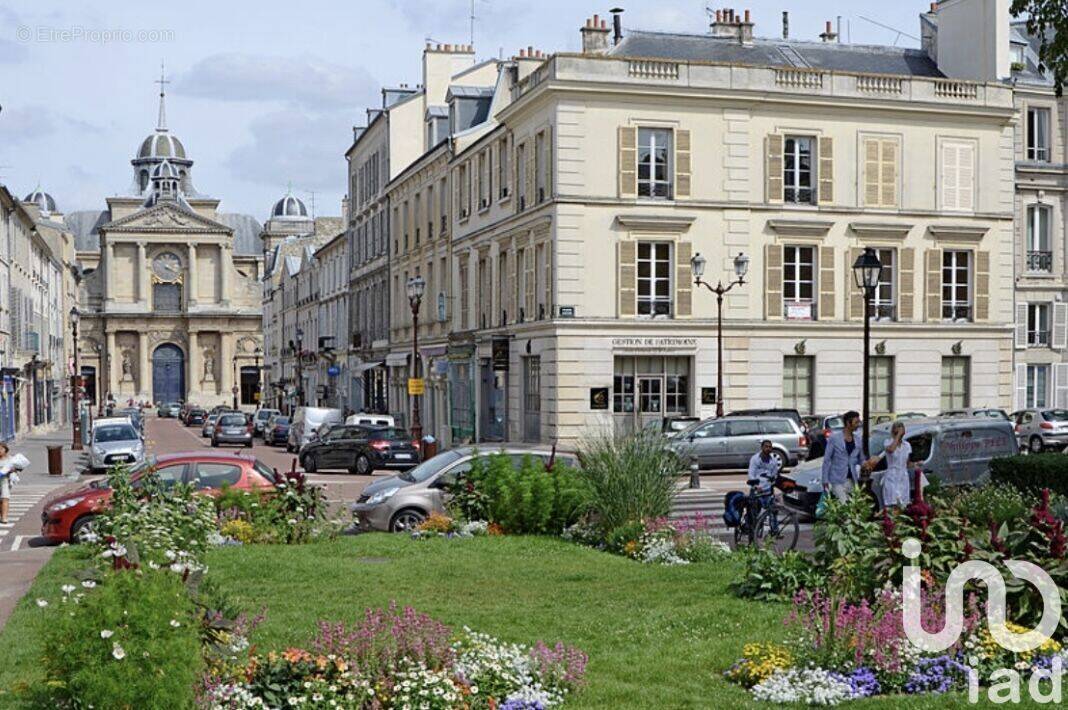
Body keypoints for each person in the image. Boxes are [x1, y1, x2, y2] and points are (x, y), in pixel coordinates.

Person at [821, 410, 867, 502]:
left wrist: (866, 464)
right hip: (837, 479)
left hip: (852, 479)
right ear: (848, 423)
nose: (858, 424)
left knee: (853, 506)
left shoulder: (858, 439)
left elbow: (861, 458)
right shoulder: (834, 438)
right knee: (844, 504)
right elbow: (827, 460)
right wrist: (825, 480)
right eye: (856, 422)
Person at [868, 421, 912, 509]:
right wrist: (897, 435)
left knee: (903, 504)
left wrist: (916, 464)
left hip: (903, 476)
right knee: (892, 502)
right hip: (892, 475)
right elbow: (891, 449)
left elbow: (907, 462)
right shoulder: (888, 442)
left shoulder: (907, 445)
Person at [747, 439, 782, 531]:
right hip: (756, 490)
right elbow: (751, 474)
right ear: (762, 447)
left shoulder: (773, 461)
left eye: (770, 447)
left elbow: (774, 475)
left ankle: (775, 531)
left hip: (768, 491)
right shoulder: (755, 459)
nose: (768, 449)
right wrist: (755, 485)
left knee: (773, 511)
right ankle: (753, 530)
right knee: (754, 513)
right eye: (766, 446)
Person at [0, 442, 30, 525]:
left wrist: (14, 470)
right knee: (1, 501)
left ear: (5, 450)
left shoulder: (11, 459)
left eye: (1, 449)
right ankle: (2, 514)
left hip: (5, 480)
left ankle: (4, 517)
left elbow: (20, 467)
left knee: (5, 498)